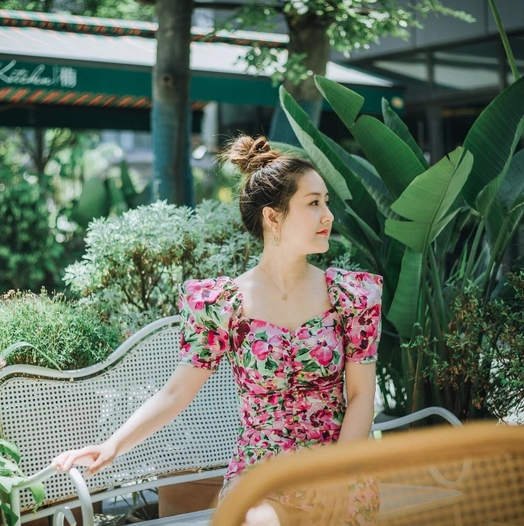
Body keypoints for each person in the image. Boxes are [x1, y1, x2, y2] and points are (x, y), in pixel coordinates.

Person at [51, 135, 383, 525]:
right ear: (272, 218)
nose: (328, 215)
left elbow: (361, 395)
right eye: (314, 203)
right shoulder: (223, 304)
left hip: (338, 463)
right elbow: (175, 393)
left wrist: (338, 477)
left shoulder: (349, 295)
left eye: (326, 202)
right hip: (262, 469)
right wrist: (111, 446)